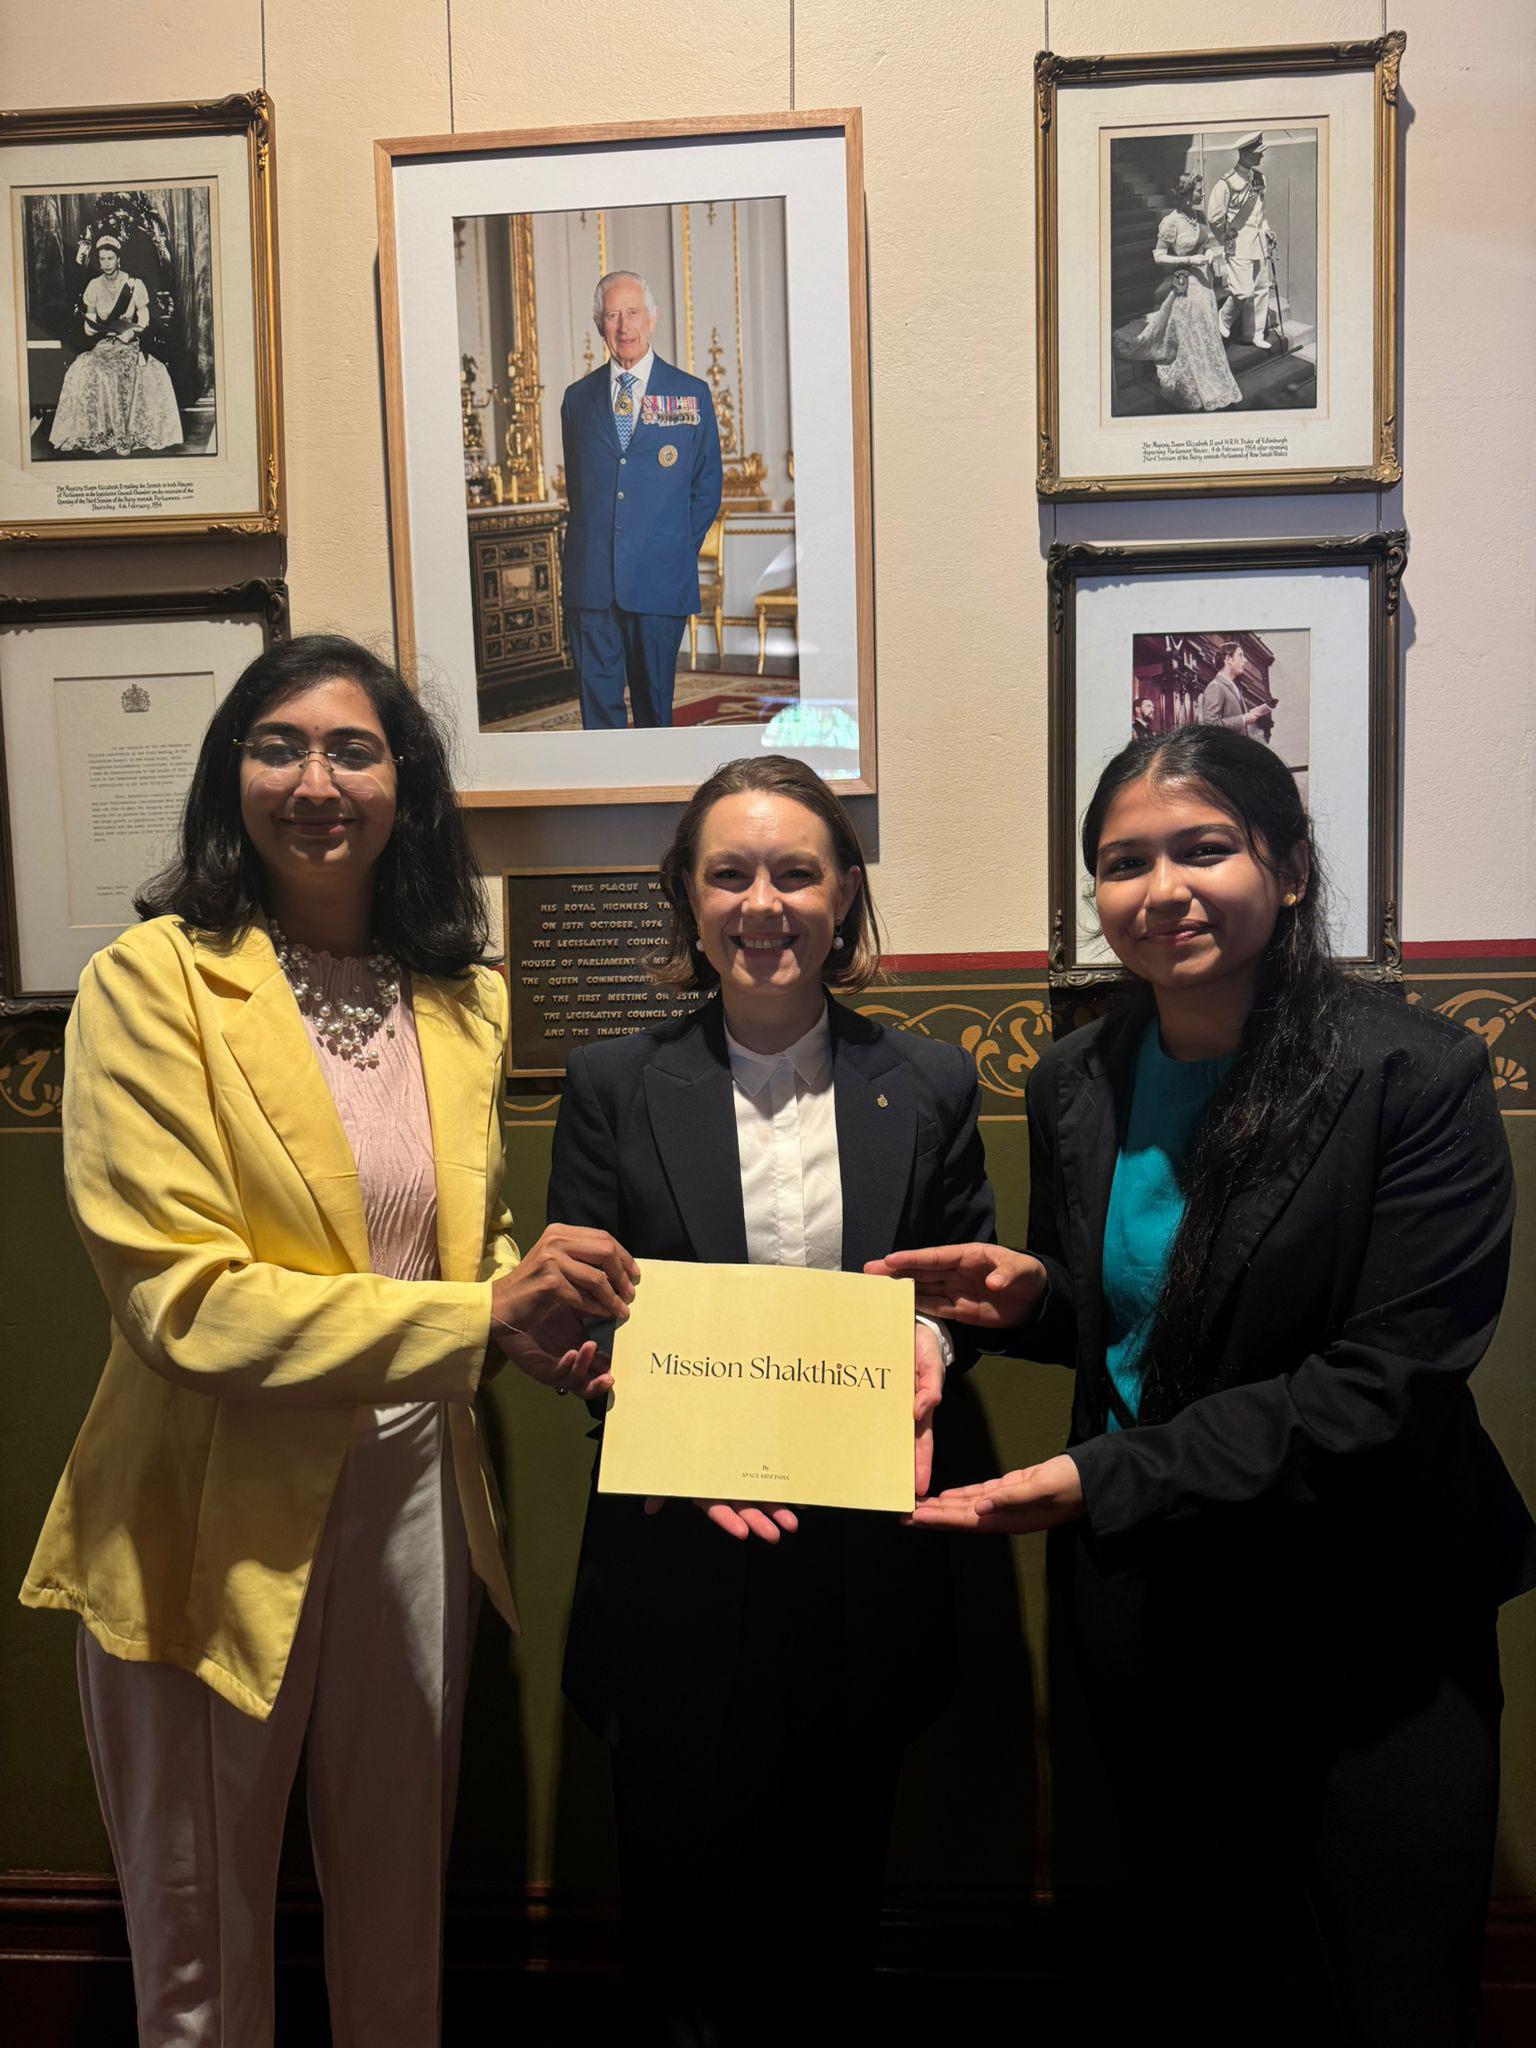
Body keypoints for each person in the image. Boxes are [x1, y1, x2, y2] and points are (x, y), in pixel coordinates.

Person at [874, 727, 1535, 2047]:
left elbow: (1381, 1387)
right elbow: (1149, 1327)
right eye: (1124, 862)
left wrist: (1103, 1475)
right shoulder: (1076, 1079)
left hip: (1369, 1617)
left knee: (1387, 1997)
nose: (1161, 888)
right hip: (1153, 1609)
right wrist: (1038, 1299)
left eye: (1204, 848)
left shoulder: (1413, 1074)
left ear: (1287, 867)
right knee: (1193, 1975)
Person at [20, 634, 636, 2047]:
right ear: (229, 774)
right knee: (200, 1960)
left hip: (417, 1487)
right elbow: (182, 1303)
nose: (315, 781)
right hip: (203, 1497)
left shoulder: (459, 996)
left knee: (399, 1915)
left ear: (404, 782)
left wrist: (532, 1319)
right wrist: (479, 1315)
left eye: (353, 749)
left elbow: (451, 1240)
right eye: (277, 745)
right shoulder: (149, 982)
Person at [548, 753, 993, 2042]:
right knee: (678, 1941)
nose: (763, 903)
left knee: (833, 1927)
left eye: (796, 872)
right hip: (672, 1561)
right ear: (688, 899)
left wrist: (932, 1346)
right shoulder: (613, 1080)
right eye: (729, 873)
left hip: (865, 1564)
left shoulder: (932, 1079)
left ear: (844, 892)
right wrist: (639, 1394)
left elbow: (955, 1285)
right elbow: (589, 1307)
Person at [559, 269, 723, 730]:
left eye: (632, 313)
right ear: (599, 324)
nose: (624, 326)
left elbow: (706, 486)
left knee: (654, 710)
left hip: (659, 579)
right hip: (592, 582)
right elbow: (580, 488)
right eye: (613, 315)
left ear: (652, 318)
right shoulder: (576, 400)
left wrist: (673, 549)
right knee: (598, 715)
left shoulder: (690, 394)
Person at [1113, 172, 1242, 412]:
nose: (1203, 193)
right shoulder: (1171, 221)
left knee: (1206, 325)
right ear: (1186, 194)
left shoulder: (1199, 216)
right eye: (1199, 190)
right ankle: (1194, 372)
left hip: (1204, 280)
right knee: (1193, 322)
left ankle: (1209, 367)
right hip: (1186, 280)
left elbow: (1207, 243)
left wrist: (1210, 254)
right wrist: (1189, 259)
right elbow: (1158, 255)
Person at [48, 234, 183, 455]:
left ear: (118, 259)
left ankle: (126, 433)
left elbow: (144, 318)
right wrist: (92, 327)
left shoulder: (134, 285)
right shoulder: (93, 286)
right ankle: (102, 431)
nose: (106, 263)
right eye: (102, 259)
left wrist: (132, 330)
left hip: (128, 343)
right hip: (104, 343)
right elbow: (89, 323)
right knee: (84, 369)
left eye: (110, 258)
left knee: (125, 372)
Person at [1208, 132, 1277, 350]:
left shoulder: (1260, 179)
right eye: (1257, 153)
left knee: (1261, 289)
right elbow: (1214, 218)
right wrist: (1226, 238)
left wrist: (1266, 230)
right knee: (1242, 291)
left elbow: (1261, 214)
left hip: (1259, 243)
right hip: (1238, 245)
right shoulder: (1227, 183)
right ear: (1245, 155)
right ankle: (1224, 317)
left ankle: (1254, 333)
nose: (1261, 156)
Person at [1197, 638, 1274, 734]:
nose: (1245, 661)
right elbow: (1211, 725)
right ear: (1228, 659)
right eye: (1240, 655)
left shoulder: (1232, 687)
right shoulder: (1216, 687)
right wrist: (1243, 719)